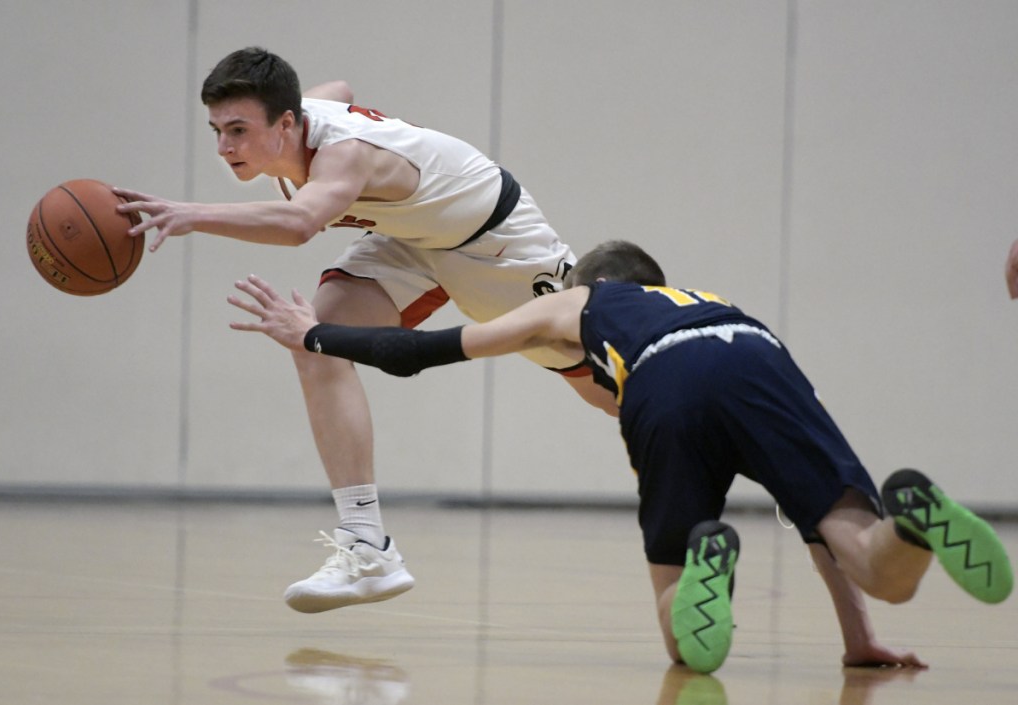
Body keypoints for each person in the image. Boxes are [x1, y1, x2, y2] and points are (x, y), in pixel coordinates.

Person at [226, 239, 1013, 673]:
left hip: (667, 380)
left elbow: (423, 350)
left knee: (684, 638)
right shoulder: (710, 299)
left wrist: (316, 334)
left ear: (584, 282)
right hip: (763, 356)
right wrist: (857, 641)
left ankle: (706, 560)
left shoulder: (575, 304)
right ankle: (909, 525)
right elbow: (814, 534)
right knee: (863, 548)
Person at [113, 47, 616, 614]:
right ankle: (366, 545)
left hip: (496, 241)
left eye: (237, 130)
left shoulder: (343, 156)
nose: (225, 147)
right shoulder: (299, 117)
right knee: (315, 338)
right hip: (410, 241)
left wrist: (191, 214)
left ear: (285, 124)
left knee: (606, 388)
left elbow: (302, 223)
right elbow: (340, 87)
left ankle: (700, 419)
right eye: (217, 130)